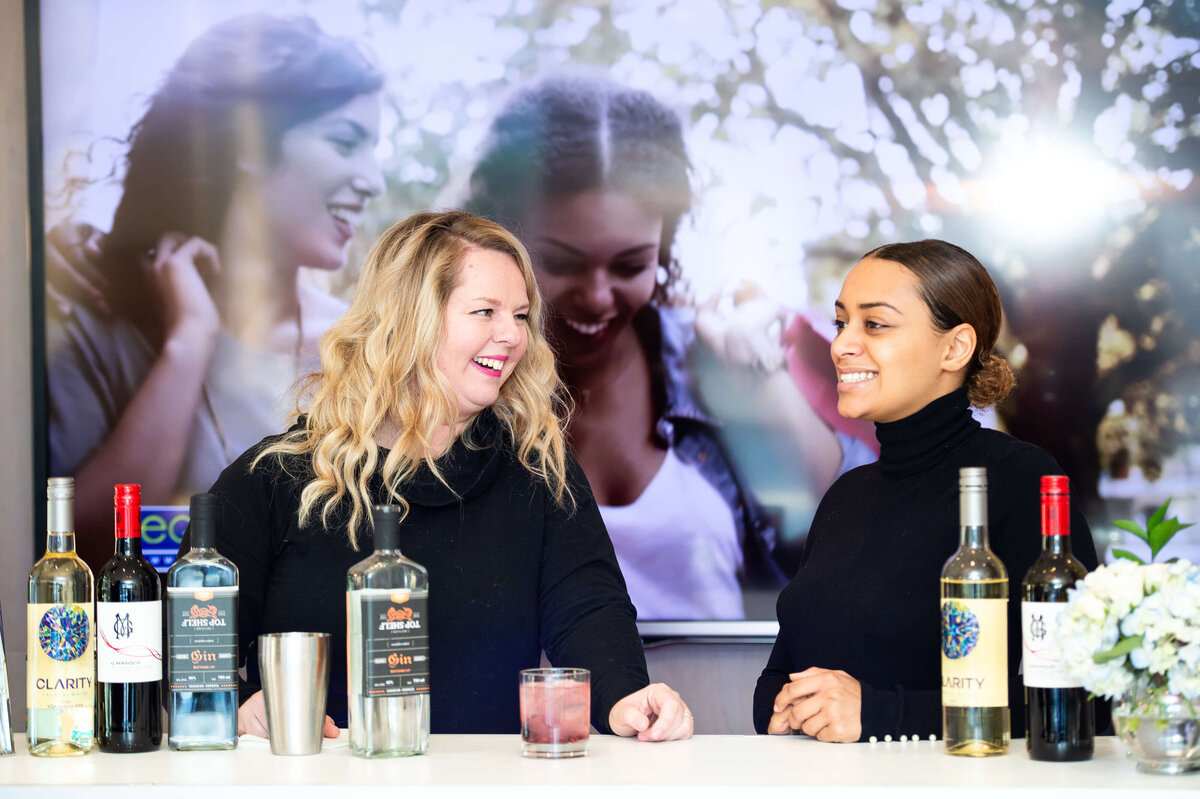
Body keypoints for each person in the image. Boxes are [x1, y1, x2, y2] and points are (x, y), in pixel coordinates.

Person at [197, 209, 694, 739]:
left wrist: (623, 698)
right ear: (409, 320)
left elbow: (590, 609)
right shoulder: (270, 480)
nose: (511, 335)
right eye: (485, 311)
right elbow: (192, 644)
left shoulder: (539, 471)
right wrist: (240, 702)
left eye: (521, 316)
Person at [465, 76, 874, 620]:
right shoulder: (459, 381)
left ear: (665, 243)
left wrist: (758, 376)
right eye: (561, 263)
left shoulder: (706, 358)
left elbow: (859, 533)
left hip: (724, 700)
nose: (598, 295)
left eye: (631, 264)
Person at [44, 14, 386, 570]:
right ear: (250, 137)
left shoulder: (362, 345)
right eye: (346, 142)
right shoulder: (91, 320)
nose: (374, 180)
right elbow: (79, 553)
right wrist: (188, 346)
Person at [753, 239, 1101, 742]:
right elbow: (781, 676)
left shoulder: (1021, 480)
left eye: (874, 324)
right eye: (840, 322)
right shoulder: (846, 495)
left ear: (954, 347)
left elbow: (1080, 703)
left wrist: (883, 716)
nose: (841, 344)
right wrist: (784, 708)